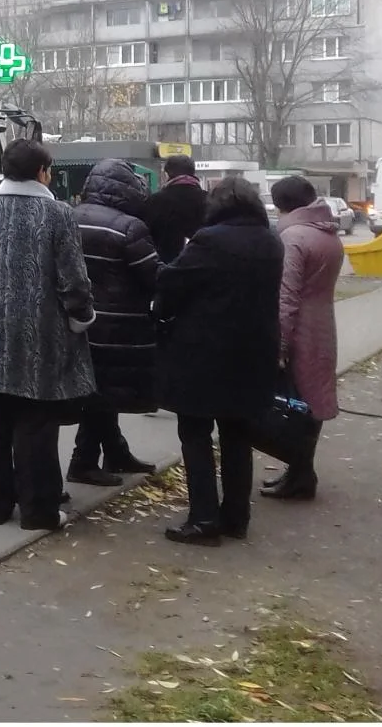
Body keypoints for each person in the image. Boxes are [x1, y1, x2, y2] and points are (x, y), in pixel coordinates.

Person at [0, 139, 97, 531]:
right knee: (36, 428)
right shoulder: (58, 213)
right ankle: (38, 512)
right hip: (40, 340)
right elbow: (74, 279)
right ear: (43, 172)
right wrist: (81, 318)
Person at [154, 177, 283, 546]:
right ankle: (236, 517)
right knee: (237, 436)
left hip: (204, 354)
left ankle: (204, 519)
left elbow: (172, 283)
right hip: (254, 353)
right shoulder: (270, 240)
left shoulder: (209, 240)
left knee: (195, 435)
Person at [68, 160, 160, 487]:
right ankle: (83, 461)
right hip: (119, 327)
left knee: (99, 391)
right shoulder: (129, 227)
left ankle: (116, 451)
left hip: (78, 322)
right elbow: (153, 276)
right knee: (104, 394)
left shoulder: (68, 217)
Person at [263, 175, 344, 500]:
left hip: (299, 329)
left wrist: (280, 346)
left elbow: (287, 297)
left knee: (295, 404)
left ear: (282, 205)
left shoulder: (293, 237)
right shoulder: (328, 233)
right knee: (310, 401)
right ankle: (300, 472)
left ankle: (300, 473)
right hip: (323, 325)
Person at [144, 154, 207, 262]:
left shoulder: (155, 201)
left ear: (168, 174)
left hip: (166, 264)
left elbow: (147, 237)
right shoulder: (209, 199)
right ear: (193, 173)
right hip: (202, 264)